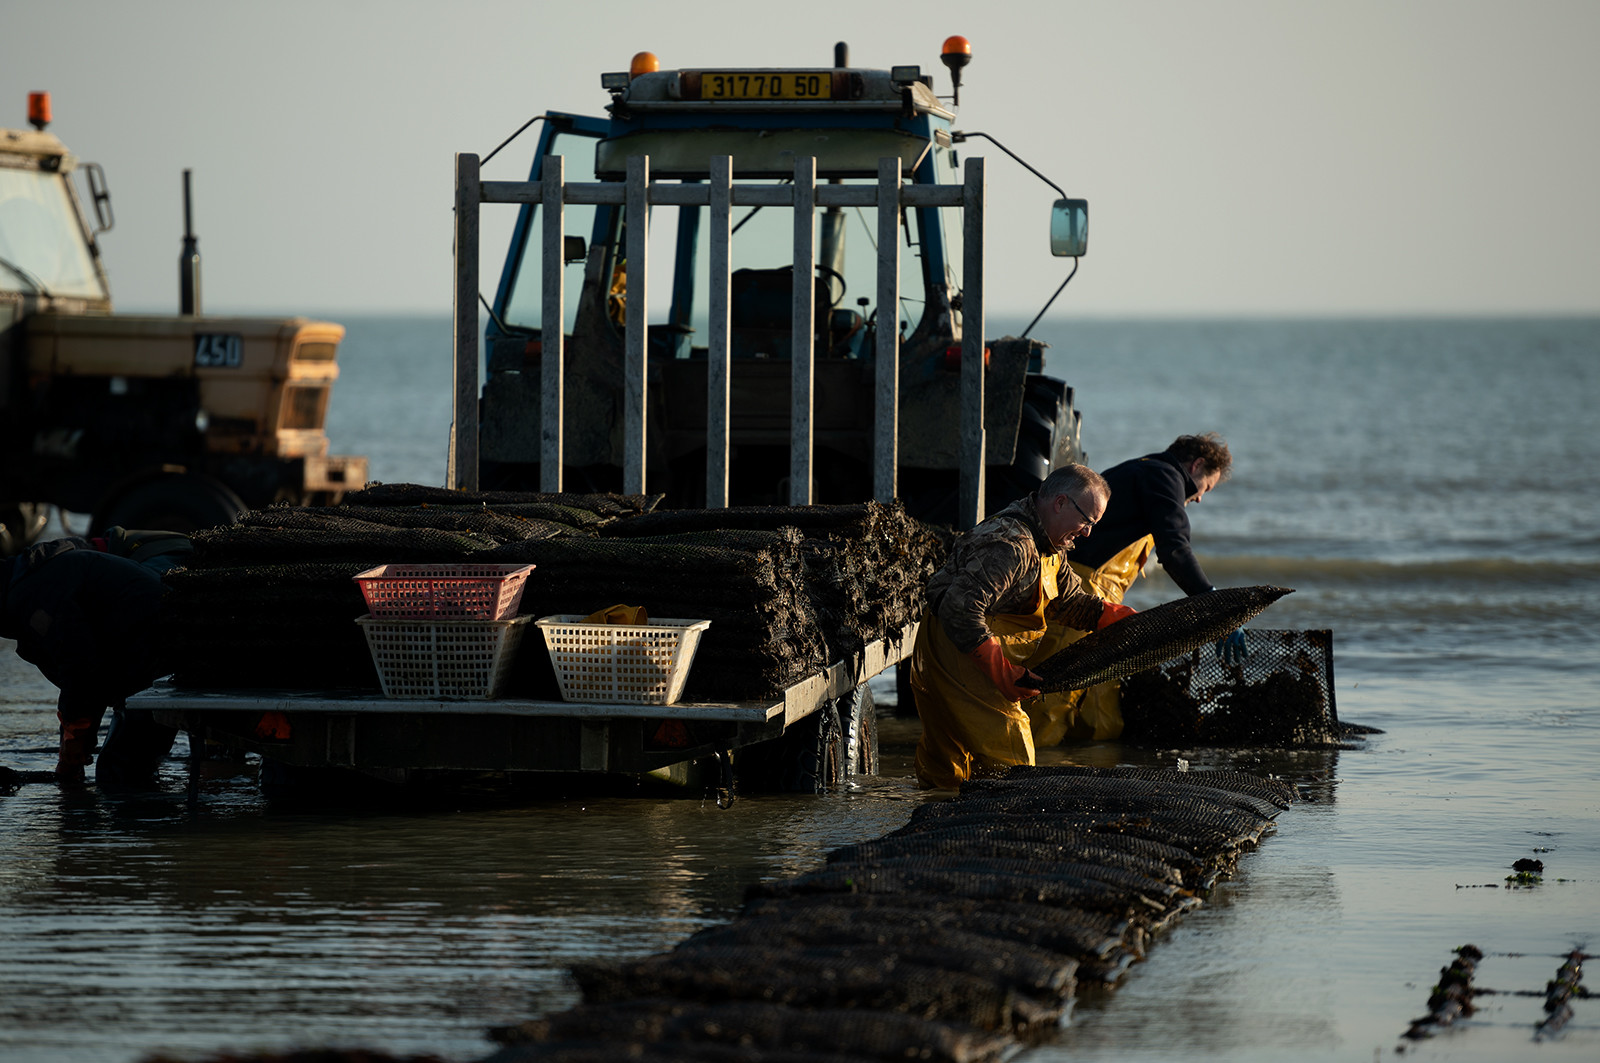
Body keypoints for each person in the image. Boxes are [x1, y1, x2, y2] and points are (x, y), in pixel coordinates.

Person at [909, 464, 1136, 789]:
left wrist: (1120, 618)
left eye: (1093, 525)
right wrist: (1001, 671)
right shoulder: (1012, 545)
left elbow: (1071, 604)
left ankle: (940, 821)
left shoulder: (1051, 545)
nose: (1088, 533)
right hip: (958, 649)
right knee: (1013, 761)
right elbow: (959, 608)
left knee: (948, 765)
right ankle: (999, 827)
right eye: (1087, 520)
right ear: (1060, 502)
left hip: (958, 648)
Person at [1025, 432, 1240, 745]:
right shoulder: (1165, 477)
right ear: (1197, 465)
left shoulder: (1144, 471)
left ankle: (1084, 763)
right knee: (1061, 685)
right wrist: (1211, 601)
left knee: (1101, 697)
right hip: (1084, 589)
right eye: (1207, 486)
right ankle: (1026, 768)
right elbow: (1175, 549)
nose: (1201, 497)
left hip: (1098, 593)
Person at [0, 531, 185, 787]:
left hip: (162, 650)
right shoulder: (33, 580)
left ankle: (156, 822)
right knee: (120, 767)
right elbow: (86, 678)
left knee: (121, 773)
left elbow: (82, 673)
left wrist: (72, 749)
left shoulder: (35, 600)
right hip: (150, 652)